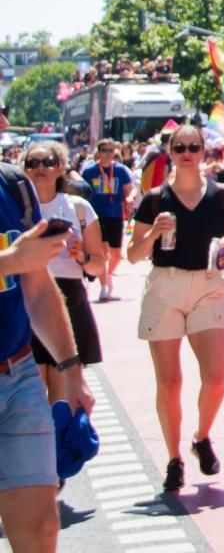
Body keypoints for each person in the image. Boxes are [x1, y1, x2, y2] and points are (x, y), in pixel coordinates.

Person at [127, 123, 224, 492]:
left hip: (208, 285)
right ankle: (173, 458)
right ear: (169, 150)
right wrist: (151, 233)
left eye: (193, 146)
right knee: (170, 382)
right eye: (179, 146)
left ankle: (202, 436)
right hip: (165, 285)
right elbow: (132, 255)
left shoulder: (223, 195)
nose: (186, 152)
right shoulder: (154, 199)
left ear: (203, 152)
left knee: (215, 378)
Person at [0, 145, 96, 552]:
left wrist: (71, 370)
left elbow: (37, 287)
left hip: (19, 376)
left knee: (41, 528)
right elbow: (18, 262)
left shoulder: (13, 186)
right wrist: (9, 261)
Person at [21, 143, 103, 406]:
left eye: (47, 162)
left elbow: (98, 266)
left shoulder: (78, 208)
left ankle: (59, 447)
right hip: (26, 298)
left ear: (60, 167)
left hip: (68, 297)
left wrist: (83, 257)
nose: (40, 168)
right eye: (32, 164)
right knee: (31, 394)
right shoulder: (15, 208)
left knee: (62, 397)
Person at [78, 139, 134, 301]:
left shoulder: (121, 170)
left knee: (116, 254)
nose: (108, 154)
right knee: (102, 251)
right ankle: (103, 287)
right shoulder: (89, 172)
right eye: (104, 150)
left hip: (116, 215)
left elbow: (130, 190)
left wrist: (130, 198)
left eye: (111, 150)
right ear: (99, 152)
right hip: (96, 216)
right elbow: (81, 191)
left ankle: (107, 275)